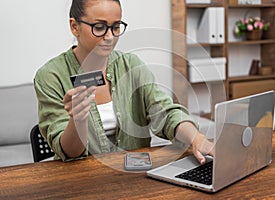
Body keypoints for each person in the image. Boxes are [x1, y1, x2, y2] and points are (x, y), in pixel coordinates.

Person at [34, 0, 213, 164]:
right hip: (80, 180)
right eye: (99, 27)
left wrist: (196, 137)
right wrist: (78, 121)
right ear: (75, 27)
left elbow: (165, 112)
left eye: (116, 27)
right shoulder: (50, 76)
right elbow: (70, 153)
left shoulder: (131, 66)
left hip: (133, 176)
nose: (110, 36)